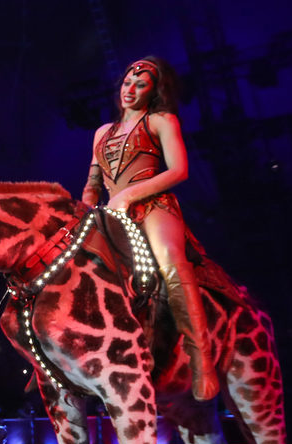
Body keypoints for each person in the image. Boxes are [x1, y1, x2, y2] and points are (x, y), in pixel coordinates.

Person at [81, 55, 219, 402]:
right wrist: (84, 207)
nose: (131, 89)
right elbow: (93, 182)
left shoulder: (161, 120)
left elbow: (179, 170)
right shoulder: (102, 132)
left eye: (140, 84)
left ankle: (202, 358)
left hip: (154, 207)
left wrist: (130, 193)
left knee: (171, 261)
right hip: (110, 213)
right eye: (127, 82)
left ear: (153, 90)